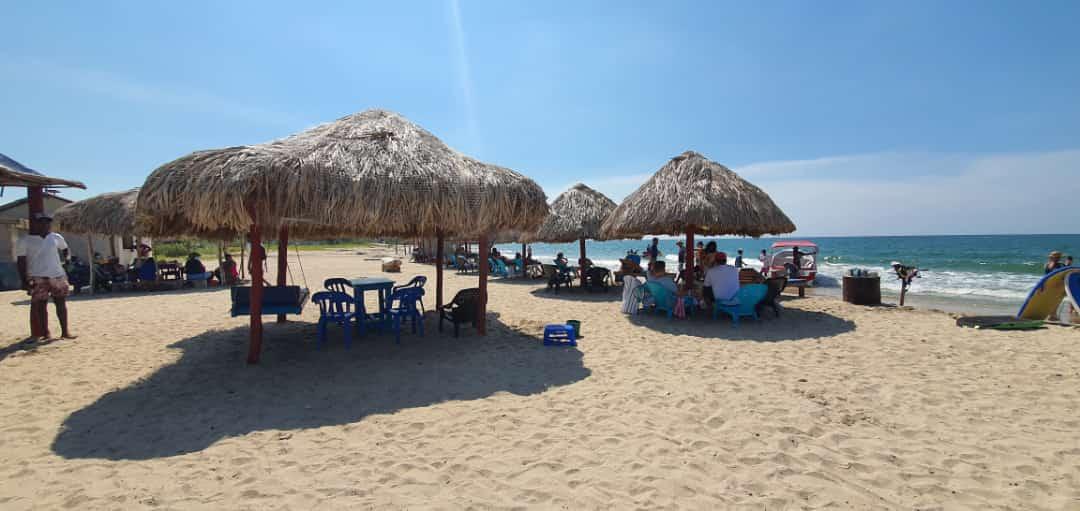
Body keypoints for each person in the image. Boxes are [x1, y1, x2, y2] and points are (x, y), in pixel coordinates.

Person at [16, 212, 76, 340]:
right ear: (36, 224)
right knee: (41, 306)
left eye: (47, 222)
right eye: (41, 222)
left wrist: (67, 261)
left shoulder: (56, 237)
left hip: (57, 275)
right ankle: (46, 333)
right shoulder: (25, 240)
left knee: (61, 304)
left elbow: (65, 249)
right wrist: (23, 280)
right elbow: (21, 262)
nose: (44, 225)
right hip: (37, 276)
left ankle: (65, 332)